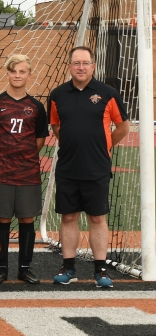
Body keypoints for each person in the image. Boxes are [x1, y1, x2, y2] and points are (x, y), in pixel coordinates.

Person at [47, 45, 129, 288]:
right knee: (69, 216)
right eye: (76, 63)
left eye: (85, 63)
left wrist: (103, 148)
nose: (80, 67)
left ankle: (100, 269)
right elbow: (56, 126)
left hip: (97, 168)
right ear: (70, 66)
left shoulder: (108, 93)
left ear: (93, 66)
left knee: (97, 218)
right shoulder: (57, 94)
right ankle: (69, 267)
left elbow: (122, 127)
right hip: (68, 167)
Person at [0, 54, 49, 284]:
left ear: (29, 74)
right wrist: (5, 155)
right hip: (1, 172)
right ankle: (1, 268)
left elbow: (40, 139)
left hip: (28, 173)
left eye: (22, 71)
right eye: (13, 71)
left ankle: (24, 268)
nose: (18, 75)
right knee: (1, 219)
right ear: (7, 73)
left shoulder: (37, 106)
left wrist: (23, 155)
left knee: (26, 220)